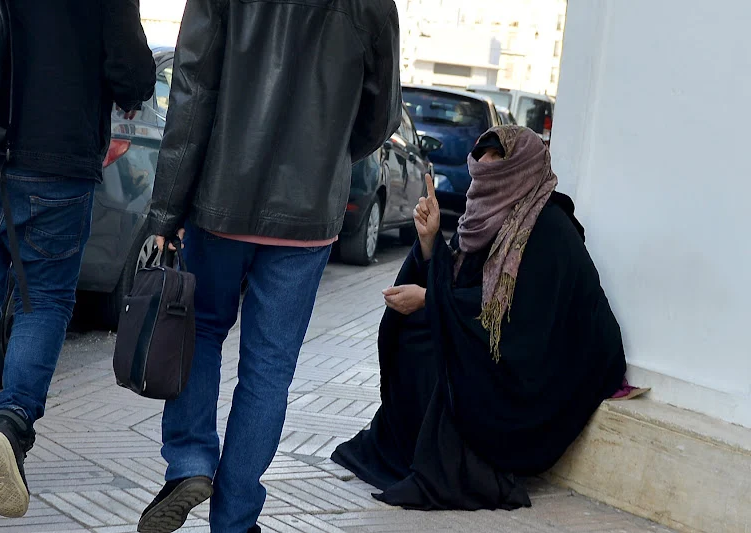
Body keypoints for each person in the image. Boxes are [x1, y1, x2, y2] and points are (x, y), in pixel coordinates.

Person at [141, 1, 402, 532]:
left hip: (222, 198)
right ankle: (234, 519)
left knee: (200, 330)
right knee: (269, 369)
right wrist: (325, 157)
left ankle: (190, 463)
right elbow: (382, 113)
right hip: (308, 217)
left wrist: (166, 212)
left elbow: (192, 93)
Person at [332, 125, 628, 511]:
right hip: (506, 337)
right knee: (415, 335)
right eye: (480, 161)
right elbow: (462, 282)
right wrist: (429, 241)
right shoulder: (483, 217)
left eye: (496, 164)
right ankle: (412, 451)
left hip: (557, 364)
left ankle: (459, 464)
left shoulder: (550, 227)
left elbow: (523, 316)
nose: (483, 173)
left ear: (520, 169)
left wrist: (430, 300)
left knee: (447, 346)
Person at [0, 0, 155, 519]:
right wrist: (129, 93)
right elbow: (129, 66)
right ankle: (11, 420)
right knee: (42, 302)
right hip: (57, 158)